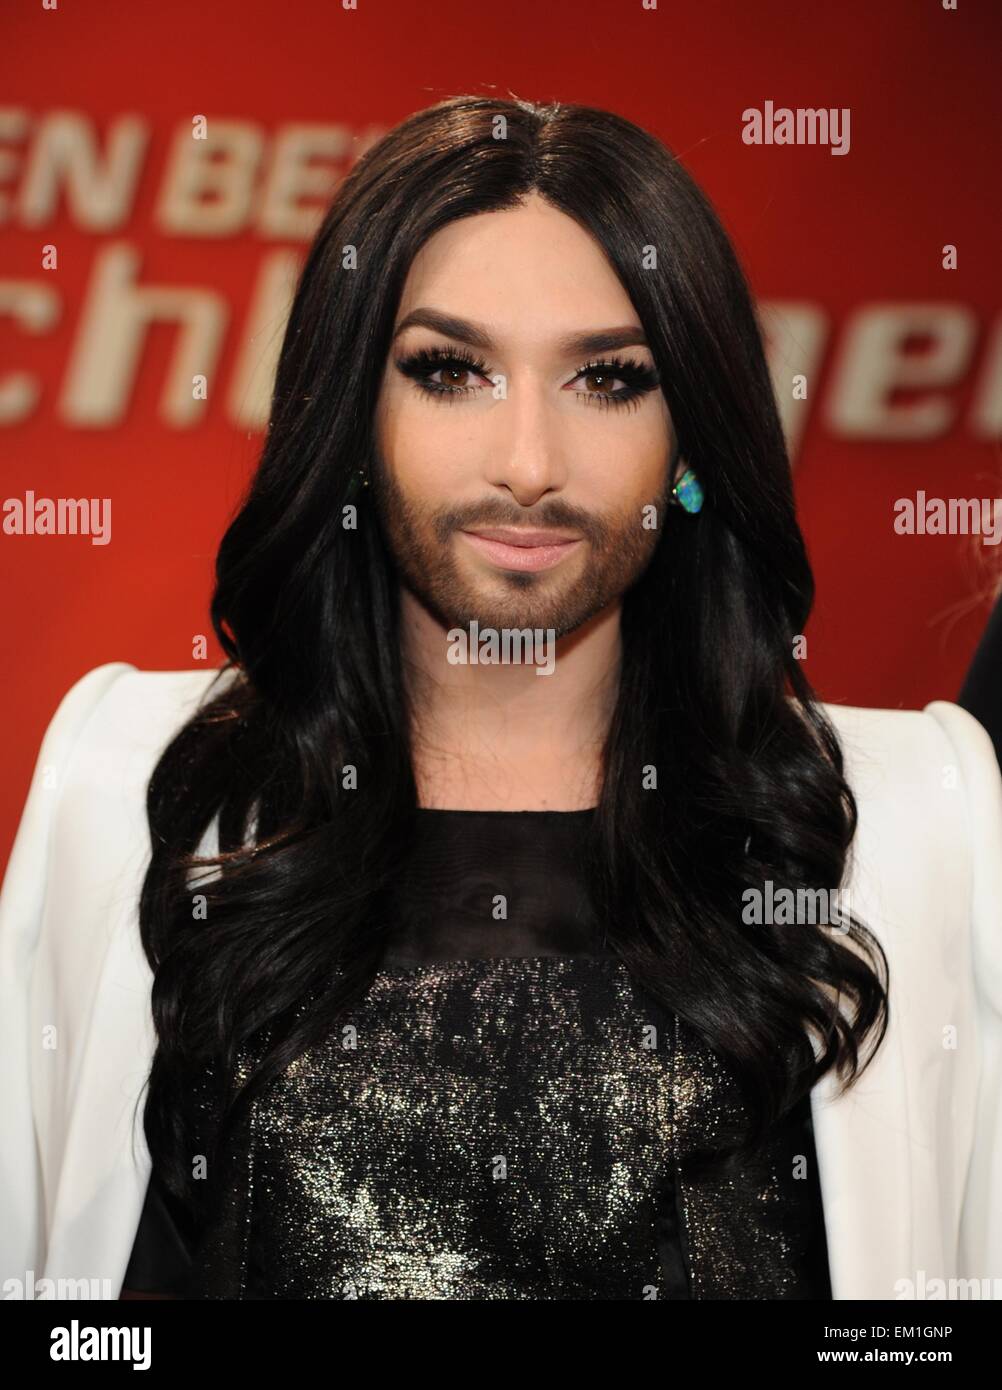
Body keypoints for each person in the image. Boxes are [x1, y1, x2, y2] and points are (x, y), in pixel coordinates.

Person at [2, 94, 1000, 1303]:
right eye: (450, 369)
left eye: (610, 379)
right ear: (353, 414)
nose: (528, 461)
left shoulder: (907, 821)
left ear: (692, 440)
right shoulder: (134, 785)